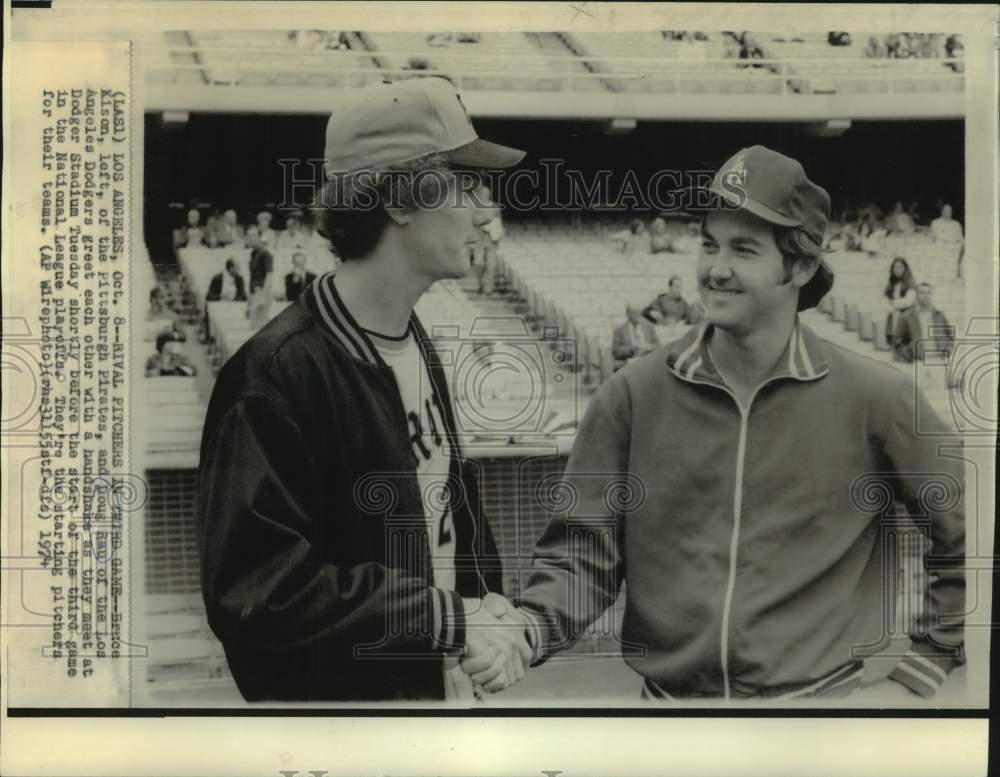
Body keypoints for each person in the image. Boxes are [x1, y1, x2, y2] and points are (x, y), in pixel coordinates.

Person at [472, 146, 965, 704]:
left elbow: (971, 533)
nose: (716, 268)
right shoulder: (631, 394)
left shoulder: (879, 396)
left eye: (744, 249)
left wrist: (922, 669)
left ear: (800, 266)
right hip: (671, 726)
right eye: (709, 245)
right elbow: (582, 555)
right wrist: (529, 626)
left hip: (822, 720)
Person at [196, 76, 529, 703]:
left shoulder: (411, 334)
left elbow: (452, 509)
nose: (485, 208)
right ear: (401, 200)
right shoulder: (273, 376)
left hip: (439, 702)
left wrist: (492, 610)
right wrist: (447, 620)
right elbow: (257, 596)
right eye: (465, 183)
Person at [893, 283, 955, 364]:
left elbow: (950, 337)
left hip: (938, 360)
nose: (925, 295)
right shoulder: (906, 316)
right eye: (921, 292)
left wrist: (947, 351)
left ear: (931, 295)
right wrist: (908, 355)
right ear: (916, 295)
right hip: (917, 361)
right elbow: (897, 341)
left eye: (928, 292)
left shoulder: (939, 315)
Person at [611, 304, 660, 371]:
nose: (638, 315)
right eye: (635, 312)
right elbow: (615, 351)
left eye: (639, 312)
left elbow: (658, 345)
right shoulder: (620, 330)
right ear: (628, 314)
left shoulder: (648, 326)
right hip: (629, 363)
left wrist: (649, 347)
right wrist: (631, 349)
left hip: (646, 360)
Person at [884, 256, 917, 347]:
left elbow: (909, 301)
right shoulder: (892, 281)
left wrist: (894, 304)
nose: (897, 270)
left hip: (907, 312)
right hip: (894, 311)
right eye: (895, 267)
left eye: (900, 267)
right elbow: (887, 297)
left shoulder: (910, 281)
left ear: (905, 268)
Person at [246, 226, 275, 329]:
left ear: (259, 237)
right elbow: (252, 277)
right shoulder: (253, 254)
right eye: (249, 236)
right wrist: (249, 301)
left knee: (259, 328)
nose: (251, 238)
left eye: (254, 235)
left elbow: (269, 276)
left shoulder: (266, 253)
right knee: (253, 327)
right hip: (254, 293)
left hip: (262, 292)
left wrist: (263, 297)